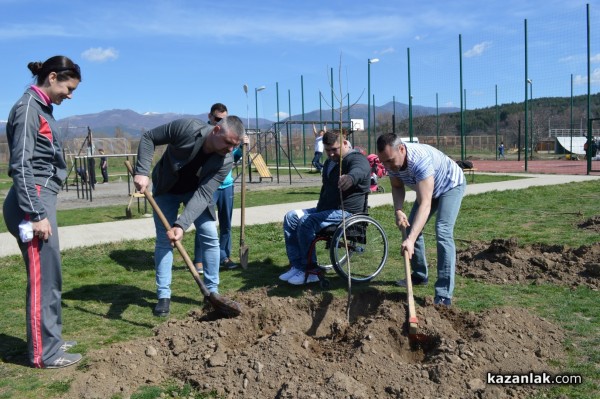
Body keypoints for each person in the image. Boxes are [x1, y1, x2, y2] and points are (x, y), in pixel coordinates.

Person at [2, 55, 83, 368]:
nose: (70, 94)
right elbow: (20, 165)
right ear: (52, 77)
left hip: (41, 197)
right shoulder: (27, 110)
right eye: (68, 87)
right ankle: (44, 355)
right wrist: (35, 214)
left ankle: (53, 339)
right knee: (42, 280)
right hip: (31, 203)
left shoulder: (42, 109)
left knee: (53, 276)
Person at [133, 115, 245, 317]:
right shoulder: (187, 128)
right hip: (166, 189)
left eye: (234, 146)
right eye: (228, 143)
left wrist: (181, 224)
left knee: (210, 235)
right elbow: (149, 137)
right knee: (164, 241)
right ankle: (163, 296)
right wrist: (141, 171)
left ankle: (212, 292)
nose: (230, 149)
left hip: (197, 194)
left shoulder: (226, 160)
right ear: (216, 130)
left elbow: (204, 193)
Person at [376, 133, 466, 307]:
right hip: (429, 190)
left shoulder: (419, 160)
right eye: (384, 161)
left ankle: (443, 293)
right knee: (410, 228)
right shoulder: (390, 161)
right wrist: (398, 210)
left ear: (401, 149)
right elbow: (396, 186)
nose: (387, 166)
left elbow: (425, 203)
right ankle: (419, 275)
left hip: (450, 185)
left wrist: (410, 241)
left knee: (443, 231)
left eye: (390, 160)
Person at [279, 130, 371, 285]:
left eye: (334, 150)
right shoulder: (329, 162)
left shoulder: (356, 159)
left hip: (346, 212)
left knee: (307, 222)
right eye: (327, 150)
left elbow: (360, 170)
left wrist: (350, 177)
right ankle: (298, 266)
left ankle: (312, 271)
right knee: (291, 216)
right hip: (326, 209)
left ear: (344, 143)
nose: (331, 154)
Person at [195, 103, 249, 274]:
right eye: (218, 119)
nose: (221, 122)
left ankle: (224, 256)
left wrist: (242, 147)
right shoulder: (207, 136)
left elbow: (234, 157)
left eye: (224, 119)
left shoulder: (228, 134)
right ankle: (200, 259)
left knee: (226, 224)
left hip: (227, 185)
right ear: (210, 117)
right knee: (205, 224)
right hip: (208, 187)